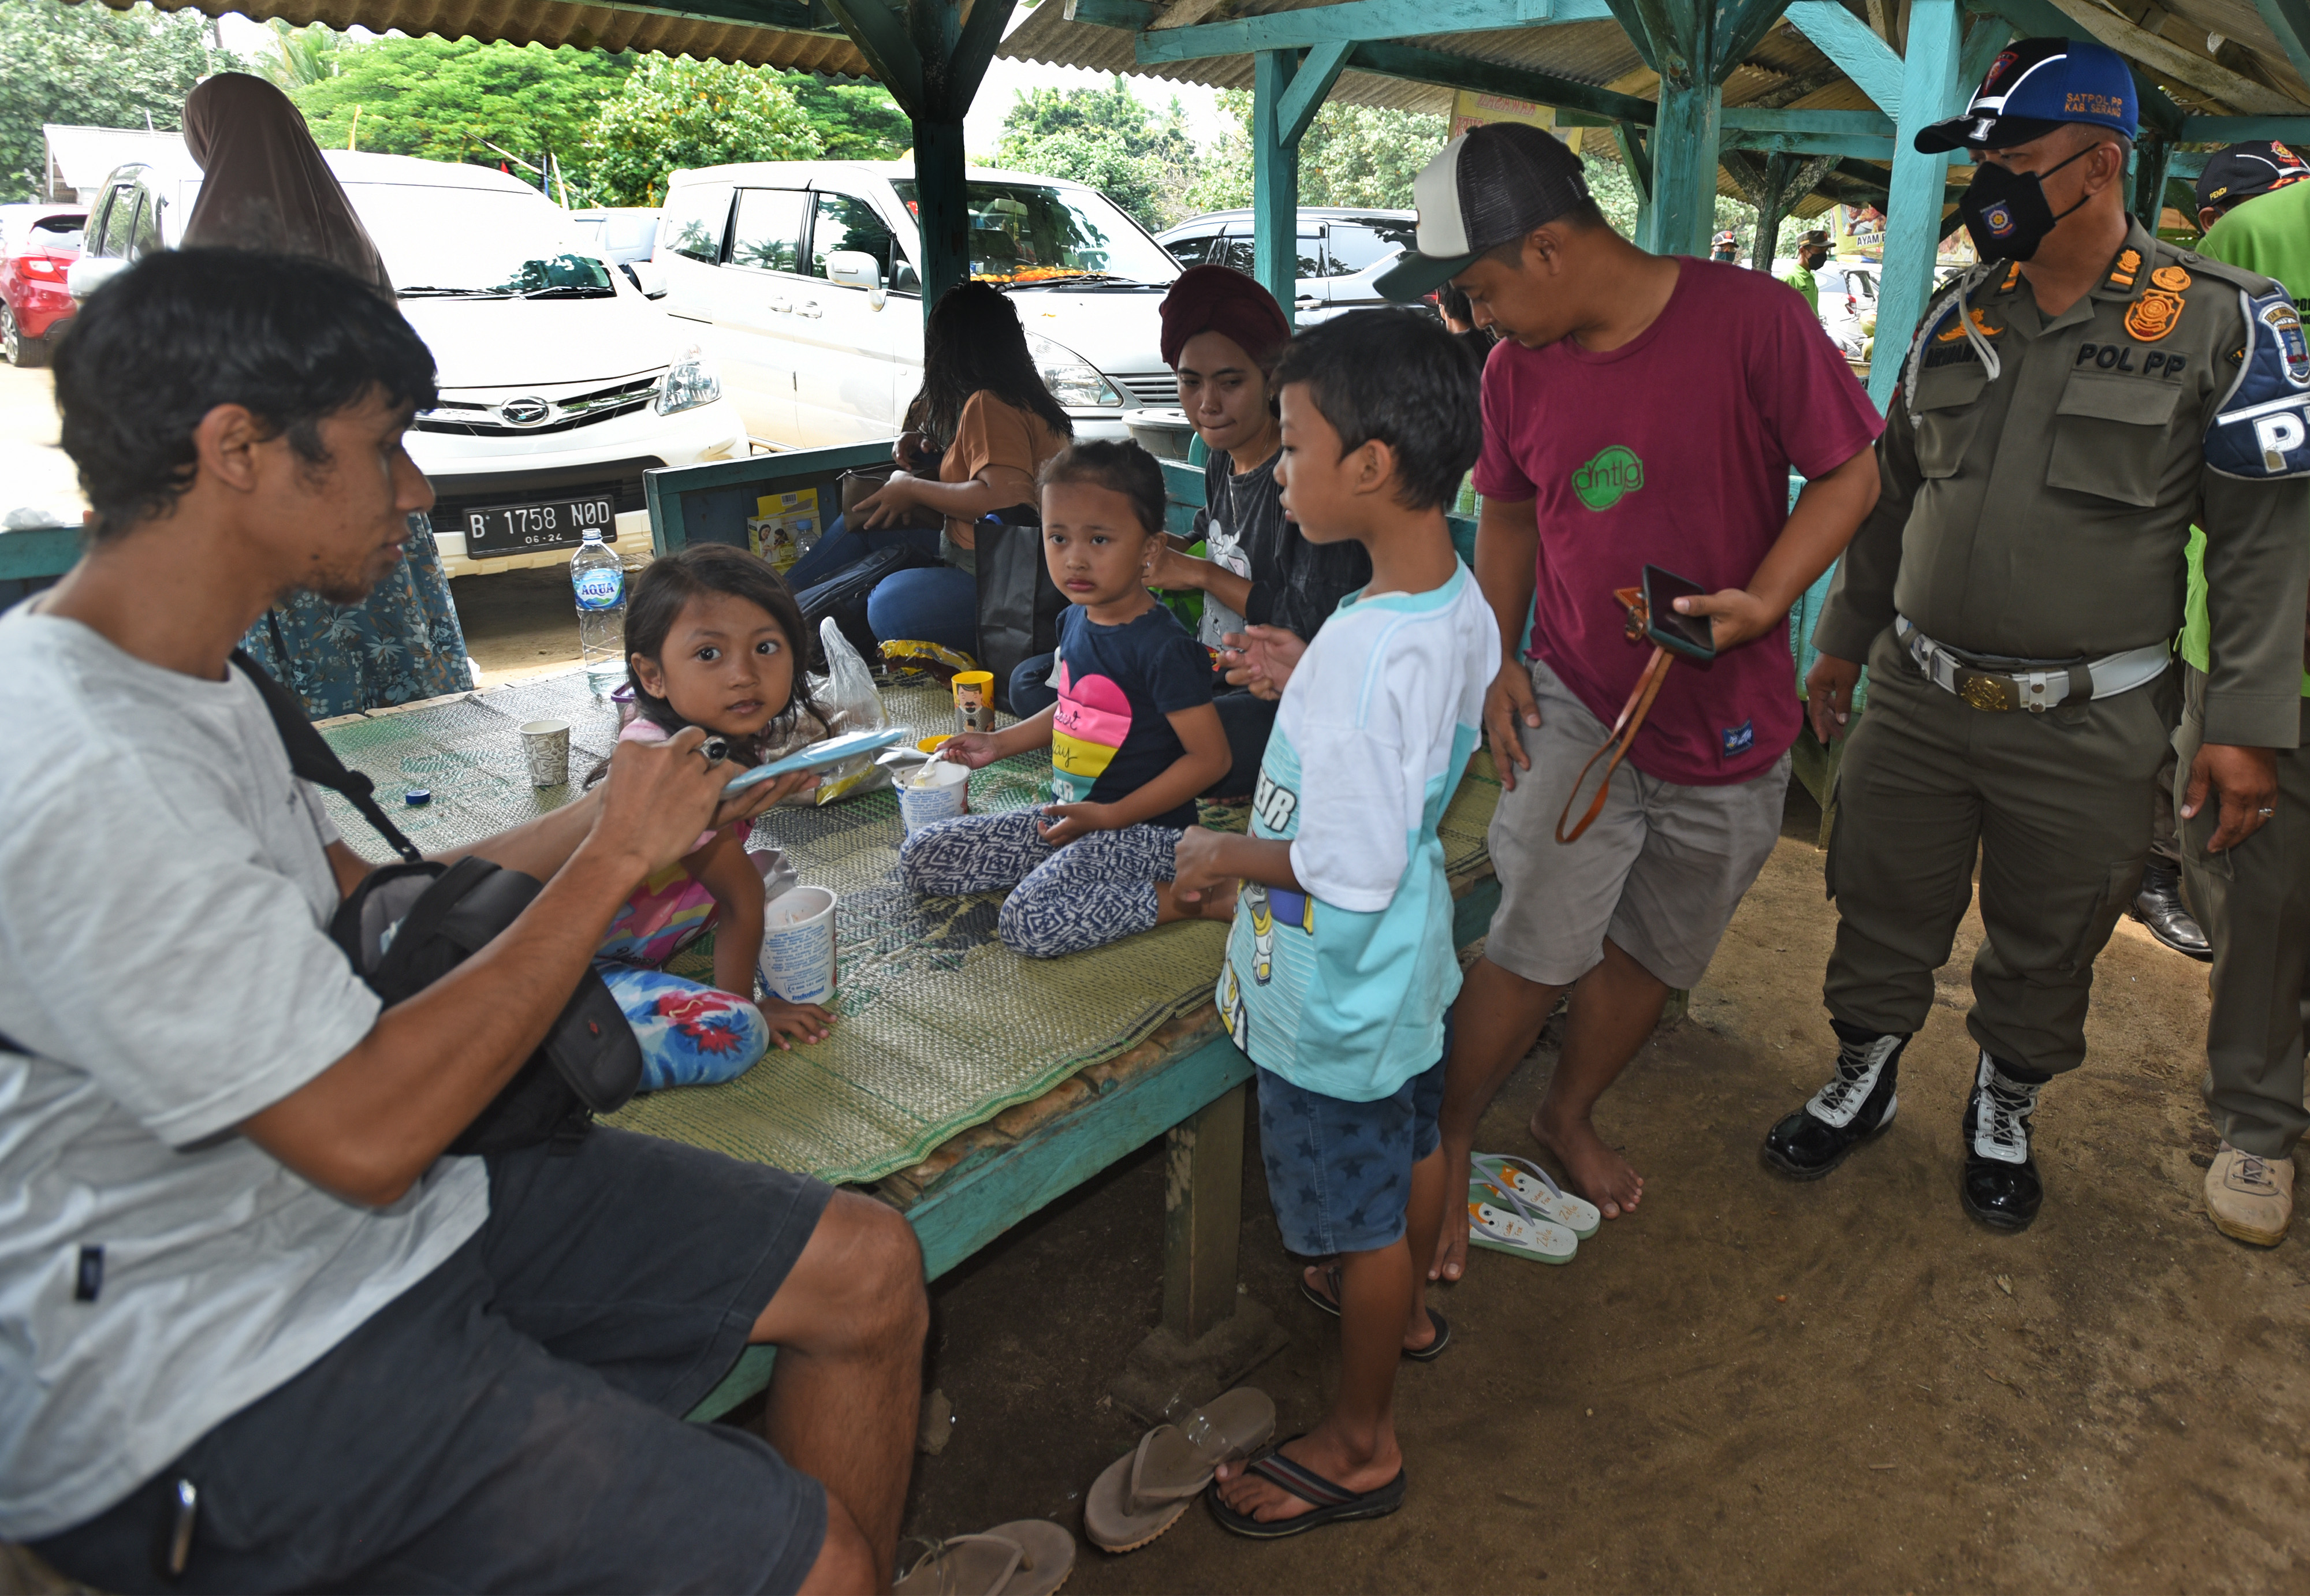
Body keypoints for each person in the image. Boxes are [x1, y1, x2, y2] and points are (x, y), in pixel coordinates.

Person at [0, 248, 940, 1593]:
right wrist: (609, 864)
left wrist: (610, 816)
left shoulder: (191, 677)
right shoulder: (82, 759)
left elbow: (355, 910)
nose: (419, 489)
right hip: (208, 1349)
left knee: (865, 1263)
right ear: (239, 449)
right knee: (823, 1565)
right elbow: (366, 1133)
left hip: (349, 1209)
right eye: (386, 449)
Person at [1764, 37, 2310, 1234]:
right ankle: (1862, 1071)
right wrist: (1842, 641)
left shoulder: (2218, 321)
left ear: (2097, 162)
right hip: (1915, 691)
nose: (1990, 180)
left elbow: (2264, 543)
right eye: (1983, 157)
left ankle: (2002, 1100)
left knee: (2053, 925)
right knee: (1876, 895)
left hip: (2090, 716)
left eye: (2011, 153)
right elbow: (1889, 493)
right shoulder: (1954, 321)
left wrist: (2250, 724)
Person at [1373, 121, 1882, 1269]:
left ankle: (1565, 1112)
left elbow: (1852, 470)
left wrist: (1762, 598)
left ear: (1546, 247)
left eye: (1479, 287)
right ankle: (1444, 1140)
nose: (1474, 315)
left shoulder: (1753, 322)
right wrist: (1499, 656)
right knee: (1535, 937)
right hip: (1579, 701)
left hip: (1732, 722)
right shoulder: (1512, 373)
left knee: (1654, 948)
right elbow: (1505, 512)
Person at [1171, 309, 1496, 1538]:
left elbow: (1342, 868)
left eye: (1294, 444)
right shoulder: (1443, 601)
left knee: (1355, 1217)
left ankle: (1361, 1440)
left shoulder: (1365, 652)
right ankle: (1402, 1310)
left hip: (1335, 984)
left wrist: (1220, 851)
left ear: (1367, 465)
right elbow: (1405, 741)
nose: (1280, 469)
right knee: (1409, 1142)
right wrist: (1305, 668)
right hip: (1404, 973)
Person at [181, 70, 472, 720]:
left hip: (292, 510)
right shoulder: (348, 234)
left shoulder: (208, 255)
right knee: (399, 657)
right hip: (366, 499)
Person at [899, 441, 1235, 957]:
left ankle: (1199, 900)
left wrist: (1112, 816)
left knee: (1028, 922)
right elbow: (1079, 706)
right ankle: (1074, 873)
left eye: (1099, 539)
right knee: (922, 856)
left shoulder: (1164, 647)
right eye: (1058, 537)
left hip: (1149, 837)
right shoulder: (1077, 617)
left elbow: (1212, 760)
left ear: (1150, 550)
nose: (1074, 558)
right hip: (1071, 818)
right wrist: (1000, 742)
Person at [1076, 264, 1370, 796]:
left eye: (1230, 383)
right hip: (1211, 663)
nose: (1207, 404)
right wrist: (1158, 550)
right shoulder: (1220, 455)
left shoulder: (1308, 476)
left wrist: (1203, 575)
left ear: (1272, 379)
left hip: (1280, 692)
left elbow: (1309, 628)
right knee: (1049, 676)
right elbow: (1211, 533)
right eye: (1191, 383)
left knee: (1144, 729)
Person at [2124, 140, 2310, 961]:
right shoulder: (2240, 253)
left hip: (2238, 587)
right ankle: (2156, 873)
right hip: (2227, 585)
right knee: (2198, 765)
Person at [2175, 167, 2310, 1243]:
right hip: (2275, 659)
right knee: (2262, 901)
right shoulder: (2269, 235)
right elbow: (2239, 471)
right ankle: (2260, 1120)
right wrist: (2242, 698)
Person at [583, 545, 839, 1084]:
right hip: (572, 969)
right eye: (709, 655)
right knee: (733, 1032)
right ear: (652, 676)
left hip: (637, 941)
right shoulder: (667, 760)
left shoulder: (722, 733)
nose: (744, 675)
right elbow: (739, 898)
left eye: (766, 647)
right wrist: (746, 1004)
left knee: (769, 873)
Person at [788, 281, 1072, 656]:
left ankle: (775, 611)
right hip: (979, 554)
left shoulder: (991, 403)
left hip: (1009, 580)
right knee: (867, 521)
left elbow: (1002, 499)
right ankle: (776, 606)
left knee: (887, 605)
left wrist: (909, 488)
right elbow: (987, 472)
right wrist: (929, 455)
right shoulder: (1018, 396)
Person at [1782, 230, 1831, 315]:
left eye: (1825, 251)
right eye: (1819, 250)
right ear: (1802, 251)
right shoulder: (1788, 279)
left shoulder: (1811, 277)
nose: (1823, 255)